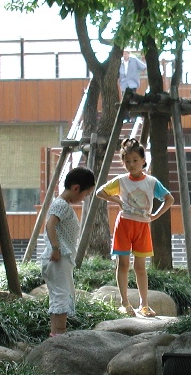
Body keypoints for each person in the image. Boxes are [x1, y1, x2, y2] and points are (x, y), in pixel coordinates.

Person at [96, 138, 174, 317]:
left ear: (143, 161)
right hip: (124, 225)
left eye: (135, 160)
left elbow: (169, 199)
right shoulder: (122, 180)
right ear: (123, 162)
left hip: (142, 227)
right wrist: (115, 199)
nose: (131, 164)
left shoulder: (152, 182)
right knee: (122, 264)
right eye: (127, 161)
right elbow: (100, 192)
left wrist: (156, 216)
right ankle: (124, 303)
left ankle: (144, 304)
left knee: (140, 267)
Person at [40, 166, 96, 337]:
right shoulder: (62, 205)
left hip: (59, 257)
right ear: (76, 188)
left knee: (58, 295)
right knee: (62, 296)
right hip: (59, 256)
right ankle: (61, 334)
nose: (85, 198)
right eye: (86, 194)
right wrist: (56, 248)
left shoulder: (59, 204)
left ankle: (54, 333)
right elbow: (50, 224)